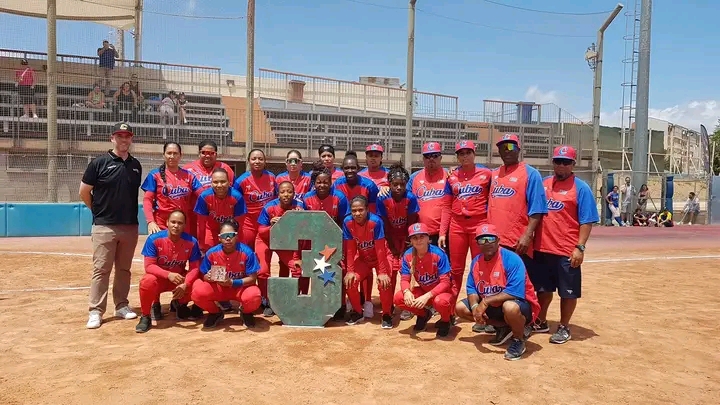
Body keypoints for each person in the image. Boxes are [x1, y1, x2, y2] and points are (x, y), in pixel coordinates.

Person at [532, 146, 599, 343]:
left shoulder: (581, 188)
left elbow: (586, 221)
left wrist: (580, 247)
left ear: (573, 165)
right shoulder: (543, 184)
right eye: (558, 161)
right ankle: (541, 321)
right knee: (543, 289)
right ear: (552, 162)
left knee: (567, 292)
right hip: (542, 247)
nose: (561, 165)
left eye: (566, 162)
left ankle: (564, 326)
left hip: (566, 250)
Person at [79, 122, 142, 329]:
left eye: (127, 136)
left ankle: (121, 306)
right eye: (120, 136)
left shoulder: (135, 165)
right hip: (104, 226)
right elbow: (84, 192)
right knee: (101, 269)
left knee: (124, 269)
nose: (124, 140)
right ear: (112, 138)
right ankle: (95, 311)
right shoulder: (99, 163)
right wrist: (97, 212)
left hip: (129, 226)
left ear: (131, 139)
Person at [487, 133, 546, 333]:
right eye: (503, 147)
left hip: (518, 242)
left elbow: (537, 209)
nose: (507, 151)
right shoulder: (494, 174)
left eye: (511, 147)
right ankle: (503, 323)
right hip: (496, 243)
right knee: (499, 284)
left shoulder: (531, 173)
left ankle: (526, 323)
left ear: (519, 150)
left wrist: (527, 234)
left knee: (523, 287)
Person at [455, 224, 540, 361]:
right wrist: (476, 307)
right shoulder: (476, 261)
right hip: (493, 306)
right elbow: (471, 288)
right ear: (477, 243)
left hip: (519, 304)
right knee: (460, 308)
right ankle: (502, 327)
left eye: (490, 238)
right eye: (482, 240)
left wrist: (485, 301)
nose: (487, 243)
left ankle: (519, 340)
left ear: (498, 240)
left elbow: (515, 292)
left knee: (510, 307)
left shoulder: (511, 259)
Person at [136, 210, 203, 333]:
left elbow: (195, 268)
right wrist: (168, 274)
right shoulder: (154, 239)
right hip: (160, 279)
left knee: (197, 284)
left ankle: (179, 302)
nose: (176, 226)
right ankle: (146, 315)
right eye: (173, 222)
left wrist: (185, 284)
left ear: (184, 225)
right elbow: (149, 266)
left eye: (180, 223)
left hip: (178, 280)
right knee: (147, 281)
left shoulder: (191, 242)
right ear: (167, 222)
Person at [190, 220, 263, 329]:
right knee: (198, 293)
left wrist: (232, 282)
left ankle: (246, 312)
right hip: (219, 288)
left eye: (231, 235)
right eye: (224, 236)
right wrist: (208, 277)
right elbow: (204, 275)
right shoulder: (211, 253)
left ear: (236, 236)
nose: (228, 238)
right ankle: (215, 312)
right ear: (219, 238)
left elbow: (252, 279)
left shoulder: (247, 252)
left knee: (254, 296)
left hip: (239, 288)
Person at [442, 140, 492, 295]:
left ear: (474, 154)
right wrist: (443, 232)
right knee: (456, 269)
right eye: (461, 154)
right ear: (457, 157)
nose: (465, 156)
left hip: (479, 224)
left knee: (480, 265)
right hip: (457, 225)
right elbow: (446, 206)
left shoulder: (487, 174)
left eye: (468, 152)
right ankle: (450, 308)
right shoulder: (451, 176)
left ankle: (481, 305)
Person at [334, 152, 380, 315]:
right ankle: (349, 300)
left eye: (353, 167)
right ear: (342, 169)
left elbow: (373, 211)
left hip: (365, 230)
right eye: (346, 167)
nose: (350, 170)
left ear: (359, 168)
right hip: (345, 231)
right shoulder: (337, 184)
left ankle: (367, 300)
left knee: (366, 266)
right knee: (348, 267)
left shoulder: (369, 185)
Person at [393, 223, 454, 337]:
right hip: (424, 291)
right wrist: (406, 292)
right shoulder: (408, 255)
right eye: (414, 237)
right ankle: (424, 315)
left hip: (441, 293)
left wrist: (427, 296)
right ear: (410, 240)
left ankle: (446, 321)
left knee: (441, 302)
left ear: (428, 238)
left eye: (422, 236)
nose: (418, 240)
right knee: (399, 298)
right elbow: (405, 279)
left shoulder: (438, 254)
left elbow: (446, 282)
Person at [342, 196, 394, 328]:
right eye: (354, 211)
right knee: (350, 282)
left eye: (361, 210)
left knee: (384, 282)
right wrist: (350, 271)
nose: (357, 214)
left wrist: (382, 272)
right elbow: (350, 249)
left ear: (367, 209)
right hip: (364, 258)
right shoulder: (347, 222)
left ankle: (387, 314)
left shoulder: (375, 221)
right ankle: (358, 312)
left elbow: (380, 249)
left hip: (381, 257)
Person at [376, 163, 419, 319]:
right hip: (390, 238)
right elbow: (384, 224)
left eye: (402, 184)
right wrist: (393, 246)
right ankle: (389, 306)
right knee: (390, 271)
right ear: (389, 184)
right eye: (395, 184)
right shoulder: (383, 199)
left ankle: (408, 305)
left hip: (407, 239)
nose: (399, 188)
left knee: (408, 270)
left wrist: (407, 245)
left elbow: (412, 222)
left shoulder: (411, 198)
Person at [256, 181, 306, 316]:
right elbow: (261, 231)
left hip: (284, 242)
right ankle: (266, 301)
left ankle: (298, 298)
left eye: (289, 191)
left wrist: (302, 217)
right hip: (266, 239)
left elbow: (305, 227)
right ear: (278, 194)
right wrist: (272, 225)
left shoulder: (299, 207)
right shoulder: (269, 207)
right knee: (263, 271)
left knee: (296, 268)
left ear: (294, 194)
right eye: (283, 191)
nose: (286, 194)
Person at [141, 142, 201, 235]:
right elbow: (147, 200)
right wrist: (150, 222)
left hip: (182, 225)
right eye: (169, 153)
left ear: (180, 156)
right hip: (161, 225)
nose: (172, 156)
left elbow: (203, 194)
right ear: (163, 155)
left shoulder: (189, 176)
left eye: (175, 153)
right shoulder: (154, 175)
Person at [183, 139, 235, 239]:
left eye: (211, 153)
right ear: (199, 154)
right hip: (194, 216)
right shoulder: (188, 169)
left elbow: (231, 193)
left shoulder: (225, 168)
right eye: (204, 153)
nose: (207, 155)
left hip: (219, 217)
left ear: (216, 155)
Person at [406, 142, 451, 253]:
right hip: (421, 233)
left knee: (444, 266)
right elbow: (404, 199)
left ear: (441, 157)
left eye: (435, 155)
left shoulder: (449, 176)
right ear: (423, 159)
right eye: (427, 156)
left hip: (445, 233)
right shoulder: (414, 177)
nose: (431, 159)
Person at [193, 168, 247, 252]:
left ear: (229, 183)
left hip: (231, 231)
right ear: (211, 184)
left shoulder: (237, 197)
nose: (219, 185)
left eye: (223, 181)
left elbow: (239, 225)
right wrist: (201, 245)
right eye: (215, 182)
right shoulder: (204, 197)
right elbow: (201, 224)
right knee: (209, 256)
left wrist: (235, 241)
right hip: (211, 231)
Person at [233, 149, 278, 248]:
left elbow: (277, 199)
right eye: (254, 159)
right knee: (247, 252)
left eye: (260, 159)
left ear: (265, 161)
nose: (257, 161)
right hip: (249, 224)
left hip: (267, 222)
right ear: (249, 160)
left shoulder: (272, 177)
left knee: (264, 253)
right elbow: (234, 203)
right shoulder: (241, 181)